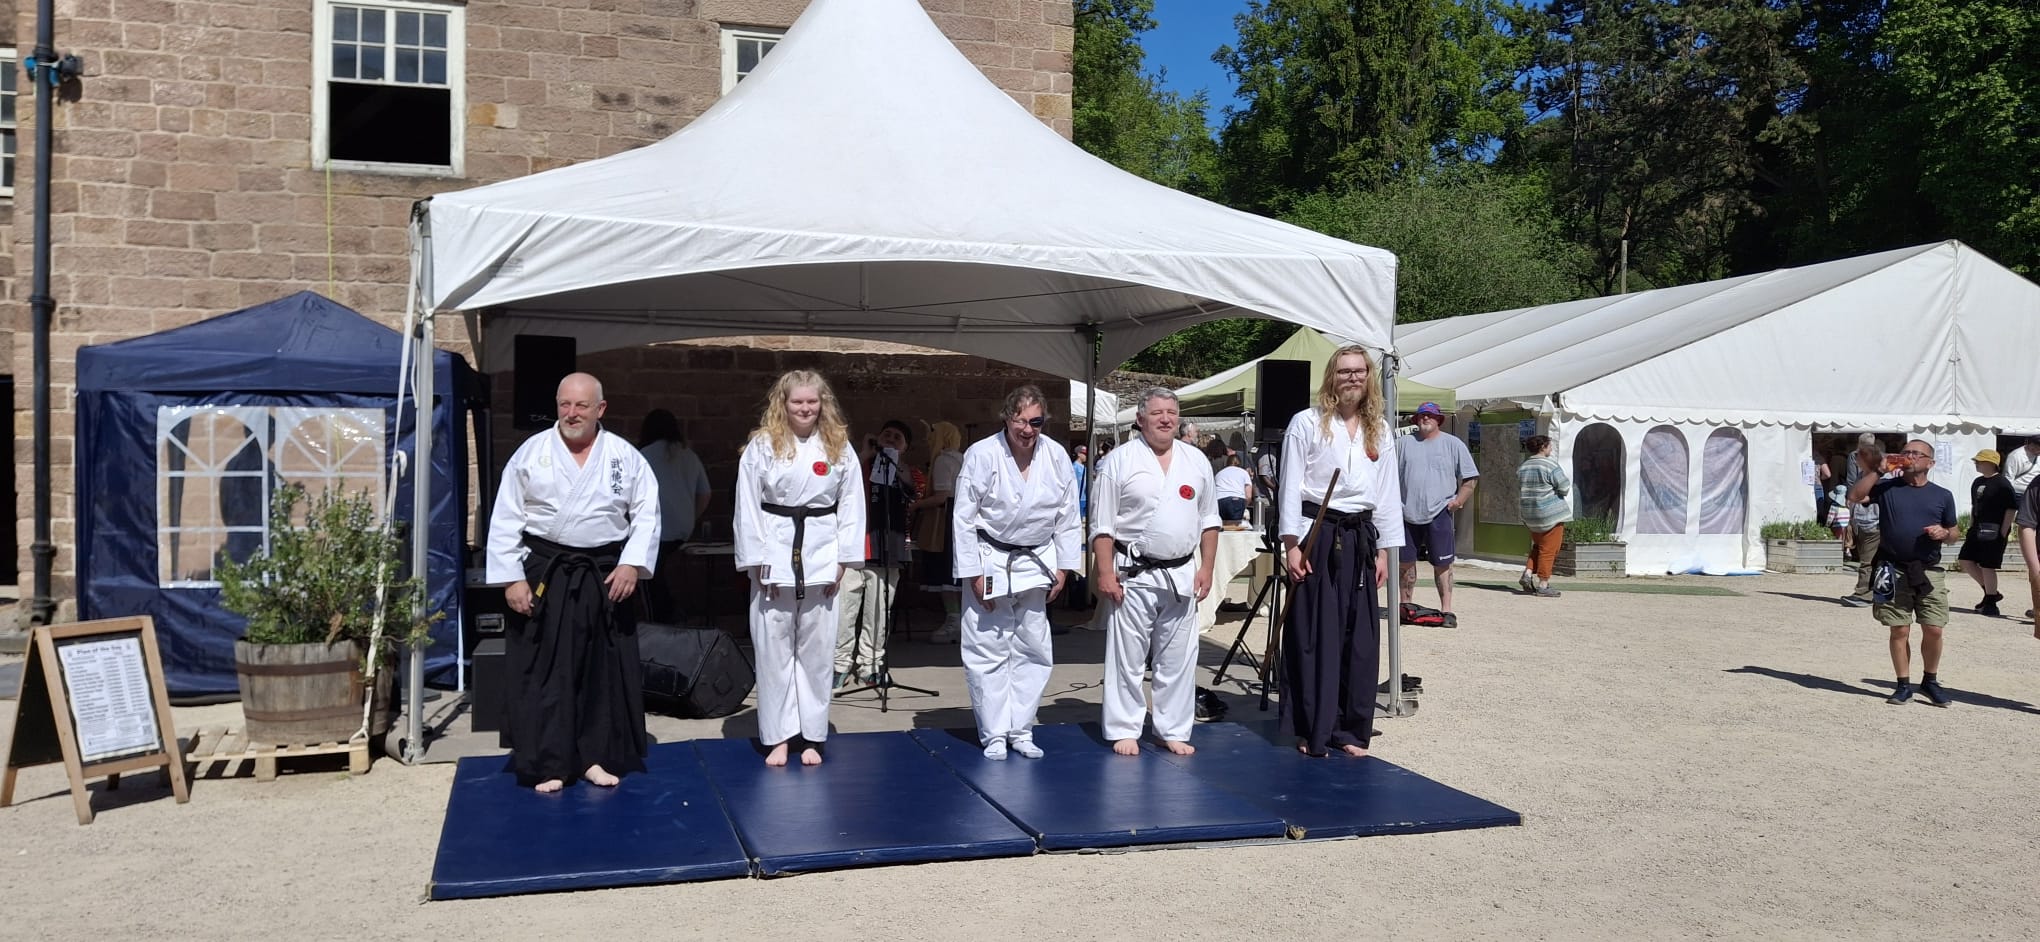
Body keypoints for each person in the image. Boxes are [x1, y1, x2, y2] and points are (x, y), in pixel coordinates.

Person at [486, 372, 660, 793]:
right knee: (544, 670)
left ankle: (594, 757)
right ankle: (550, 761)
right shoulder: (532, 452)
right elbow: (506, 515)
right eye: (565, 404)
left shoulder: (623, 456)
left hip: (604, 573)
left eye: (581, 405)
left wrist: (632, 564)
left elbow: (647, 513)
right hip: (545, 571)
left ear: (600, 409)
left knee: (601, 669)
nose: (571, 413)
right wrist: (511, 578)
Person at [734, 370, 866, 767]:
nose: (805, 408)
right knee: (772, 650)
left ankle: (811, 735)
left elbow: (852, 503)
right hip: (774, 551)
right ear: (784, 403)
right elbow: (747, 503)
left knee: (817, 650)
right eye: (797, 402)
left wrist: (844, 559)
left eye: (812, 401)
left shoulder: (838, 444)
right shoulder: (762, 445)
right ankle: (778, 736)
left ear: (823, 403)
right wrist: (756, 561)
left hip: (822, 551)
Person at [1279, 345, 1404, 757]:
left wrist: (1384, 551)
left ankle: (1349, 729)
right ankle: (1311, 727)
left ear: (1369, 378)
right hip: (1317, 532)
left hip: (1360, 537)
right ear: (1331, 377)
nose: (1352, 378)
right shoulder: (1306, 422)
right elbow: (1290, 486)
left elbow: (1387, 493)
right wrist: (1292, 545)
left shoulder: (1379, 429)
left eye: (1359, 371)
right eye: (1345, 371)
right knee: (1315, 635)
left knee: (1359, 636)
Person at [952, 385, 1081, 760]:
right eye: (1020, 421)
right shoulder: (982, 454)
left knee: (1033, 647)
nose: (1027, 429)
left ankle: (1021, 729)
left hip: (1037, 558)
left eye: (1035, 422)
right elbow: (963, 517)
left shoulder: (1055, 455)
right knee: (987, 647)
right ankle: (994, 732)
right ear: (1007, 418)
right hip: (990, 557)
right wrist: (972, 573)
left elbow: (1068, 515)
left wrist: (1064, 567)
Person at [1091, 389, 1218, 757]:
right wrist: (1104, 572)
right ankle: (1124, 728)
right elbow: (1102, 525)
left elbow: (1209, 520)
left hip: (1181, 572)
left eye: (1171, 413)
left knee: (1178, 657)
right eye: (1157, 412)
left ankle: (1171, 729)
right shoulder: (1118, 461)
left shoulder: (1196, 460)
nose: (1165, 419)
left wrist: (1207, 567)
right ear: (1140, 419)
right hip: (1133, 572)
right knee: (1127, 656)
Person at [1846, 439, 1959, 707]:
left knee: (1934, 628)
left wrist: (1944, 533)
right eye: (1906, 451)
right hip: (1892, 568)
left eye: (1917, 453)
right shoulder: (1887, 487)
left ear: (1930, 463)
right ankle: (1903, 685)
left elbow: (1954, 532)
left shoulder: (1942, 495)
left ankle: (1930, 681)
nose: (1909, 456)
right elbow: (1854, 497)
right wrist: (1878, 471)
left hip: (1928, 570)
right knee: (1899, 629)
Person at [836, 419, 916, 688]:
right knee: (845, 610)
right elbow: (838, 483)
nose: (890, 439)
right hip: (854, 548)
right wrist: (865, 452)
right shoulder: (860, 463)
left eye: (897, 437)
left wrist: (895, 460)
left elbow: (912, 491)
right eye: (887, 434)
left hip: (887, 550)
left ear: (905, 447)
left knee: (877, 612)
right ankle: (840, 664)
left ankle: (870, 665)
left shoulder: (904, 469)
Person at [1396, 401, 1477, 628]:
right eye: (1422, 415)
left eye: (1430, 415)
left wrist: (1458, 501)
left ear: (1438, 420)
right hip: (1406, 512)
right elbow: (1385, 474)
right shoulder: (1402, 444)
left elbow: (1470, 478)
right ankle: (1405, 606)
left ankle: (1447, 610)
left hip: (1440, 512)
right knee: (1405, 563)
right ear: (1416, 419)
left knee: (1443, 564)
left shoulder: (1453, 444)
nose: (1426, 418)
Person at [638, 408, 712, 623]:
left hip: (655, 530)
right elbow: (705, 493)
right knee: (662, 574)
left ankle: (660, 619)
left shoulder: (644, 455)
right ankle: (673, 614)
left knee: (649, 576)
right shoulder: (689, 455)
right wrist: (691, 517)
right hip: (682, 529)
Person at [914, 420, 967, 643]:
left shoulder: (943, 461)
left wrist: (916, 505)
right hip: (960, 518)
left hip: (946, 519)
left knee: (946, 569)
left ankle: (954, 619)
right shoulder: (962, 458)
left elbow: (942, 496)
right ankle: (961, 620)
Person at [1957, 449, 2016, 617]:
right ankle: (1991, 592)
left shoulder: (2002, 484)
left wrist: (2003, 531)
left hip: (1994, 529)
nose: (1976, 463)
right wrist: (1971, 525)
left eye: (1980, 461)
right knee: (1965, 560)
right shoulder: (1977, 482)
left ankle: (1991, 602)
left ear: (1992, 463)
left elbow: (2011, 508)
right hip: (1977, 528)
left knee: (1988, 565)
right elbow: (1974, 505)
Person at [1516, 435, 1570, 597]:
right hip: (1550, 514)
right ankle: (1543, 585)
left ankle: (1528, 573)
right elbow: (1564, 487)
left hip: (1530, 514)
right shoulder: (1550, 465)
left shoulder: (1523, 467)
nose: (1551, 448)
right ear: (1543, 447)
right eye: (1549, 445)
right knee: (1549, 549)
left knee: (1538, 546)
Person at [1841, 433, 1886, 606]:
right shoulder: (1862, 475)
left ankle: (1863, 593)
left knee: (1867, 561)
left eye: (1858, 458)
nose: (1855, 460)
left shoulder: (1879, 478)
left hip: (1874, 522)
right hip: (1862, 521)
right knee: (1866, 559)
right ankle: (1867, 591)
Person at [1214, 451, 1252, 525]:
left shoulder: (1219, 473)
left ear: (1227, 463)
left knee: (1223, 525)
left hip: (1220, 500)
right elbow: (1248, 496)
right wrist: (1244, 506)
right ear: (1239, 463)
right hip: (1236, 500)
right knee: (1235, 526)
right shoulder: (1244, 473)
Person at [2002, 435, 2040, 500]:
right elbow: (2008, 478)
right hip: (2019, 495)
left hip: (2036, 493)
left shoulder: (2038, 455)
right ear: (2032, 445)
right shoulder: (2015, 456)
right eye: (2039, 449)